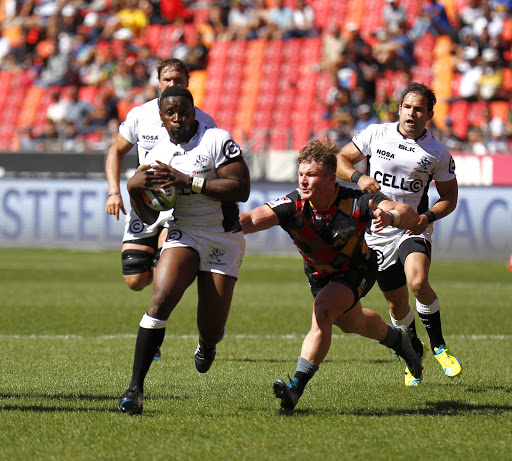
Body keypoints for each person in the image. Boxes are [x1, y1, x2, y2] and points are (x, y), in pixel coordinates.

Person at [240, 139, 423, 411]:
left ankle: (295, 389)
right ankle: (399, 340)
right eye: (301, 174)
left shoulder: (358, 202)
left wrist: (391, 218)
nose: (303, 181)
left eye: (311, 175)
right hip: (320, 277)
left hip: (357, 270)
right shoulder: (293, 205)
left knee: (323, 311)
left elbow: (408, 214)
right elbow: (252, 220)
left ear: (330, 177)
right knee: (353, 323)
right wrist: (211, 225)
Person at [118, 86, 250, 415]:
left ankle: (207, 344)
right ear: (161, 118)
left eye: (184, 111)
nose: (178, 119)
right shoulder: (157, 154)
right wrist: (134, 191)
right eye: (170, 114)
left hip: (222, 236)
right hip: (185, 232)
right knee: (160, 300)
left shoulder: (217, 140)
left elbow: (241, 188)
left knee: (212, 327)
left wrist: (187, 181)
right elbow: (150, 216)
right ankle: (135, 389)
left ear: (194, 111)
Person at [336, 82, 461, 387]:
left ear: (429, 114)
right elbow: (340, 160)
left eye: (419, 109)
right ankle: (412, 351)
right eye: (407, 106)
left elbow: (450, 197)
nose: (411, 113)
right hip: (376, 232)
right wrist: (359, 176)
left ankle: (440, 347)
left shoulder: (437, 153)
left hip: (411, 227)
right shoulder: (376, 134)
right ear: (399, 109)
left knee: (417, 281)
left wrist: (427, 217)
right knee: (396, 305)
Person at [105, 58, 216, 293]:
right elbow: (116, 151)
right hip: (145, 201)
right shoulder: (141, 115)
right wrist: (114, 192)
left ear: (188, 82)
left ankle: (176, 261)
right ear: (158, 82)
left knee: (164, 279)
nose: (172, 83)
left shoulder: (204, 121)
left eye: (178, 79)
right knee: (135, 280)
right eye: (167, 79)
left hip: (181, 205)